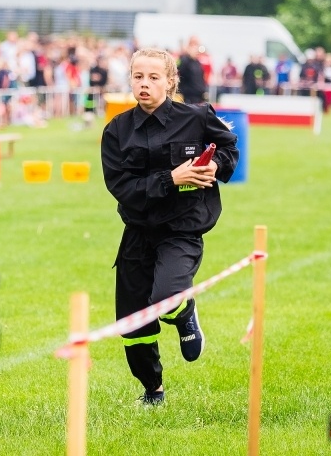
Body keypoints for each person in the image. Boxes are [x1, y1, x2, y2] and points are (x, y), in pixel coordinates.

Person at [101, 48, 239, 405]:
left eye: (153, 77)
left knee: (166, 296)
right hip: (138, 231)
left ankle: (185, 314)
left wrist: (217, 167)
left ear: (170, 81)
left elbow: (228, 150)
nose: (144, 85)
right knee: (132, 325)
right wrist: (171, 178)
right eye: (138, 77)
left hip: (182, 228)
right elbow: (123, 188)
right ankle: (153, 390)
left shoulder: (196, 117)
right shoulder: (116, 131)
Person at [177, 36, 208, 104]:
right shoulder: (184, 59)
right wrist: (187, 56)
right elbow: (179, 71)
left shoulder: (198, 62)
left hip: (199, 96)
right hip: (188, 97)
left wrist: (204, 91)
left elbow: (201, 79)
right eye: (194, 45)